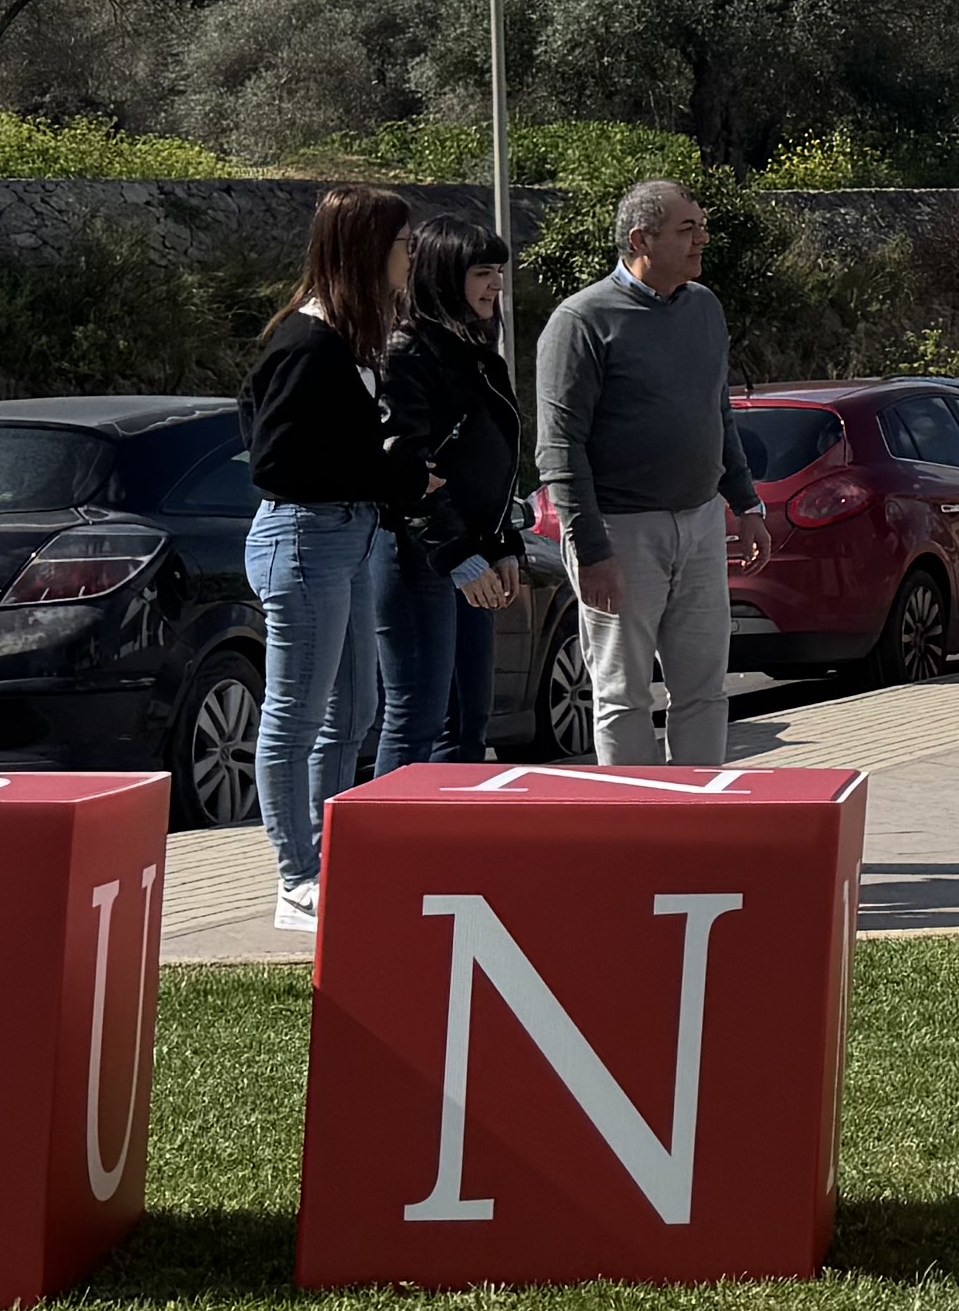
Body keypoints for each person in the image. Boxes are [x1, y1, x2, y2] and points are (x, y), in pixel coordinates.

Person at [238, 184, 423, 935]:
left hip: (347, 534)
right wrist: (389, 474)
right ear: (366, 249)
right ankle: (296, 876)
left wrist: (382, 474)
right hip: (305, 539)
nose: (409, 255)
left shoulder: (349, 338)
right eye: (402, 243)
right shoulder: (309, 342)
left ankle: (327, 862)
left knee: (354, 709)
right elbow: (274, 460)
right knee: (296, 713)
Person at [540, 176, 755, 765]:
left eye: (702, 226)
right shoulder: (581, 321)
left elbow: (718, 412)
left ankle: (699, 825)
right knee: (623, 694)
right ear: (641, 239)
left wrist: (746, 502)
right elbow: (560, 448)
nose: (702, 240)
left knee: (705, 690)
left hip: (702, 522)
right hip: (620, 533)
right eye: (687, 230)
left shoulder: (704, 309)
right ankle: (635, 833)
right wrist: (593, 550)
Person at [371, 214, 529, 778]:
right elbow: (404, 470)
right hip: (418, 557)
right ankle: (387, 852)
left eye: (500, 272)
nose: (497, 285)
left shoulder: (478, 350)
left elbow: (490, 466)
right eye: (482, 272)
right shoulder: (408, 351)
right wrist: (459, 554)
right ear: (442, 275)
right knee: (419, 716)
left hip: (469, 550)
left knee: (467, 718)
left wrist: (502, 540)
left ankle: (446, 848)